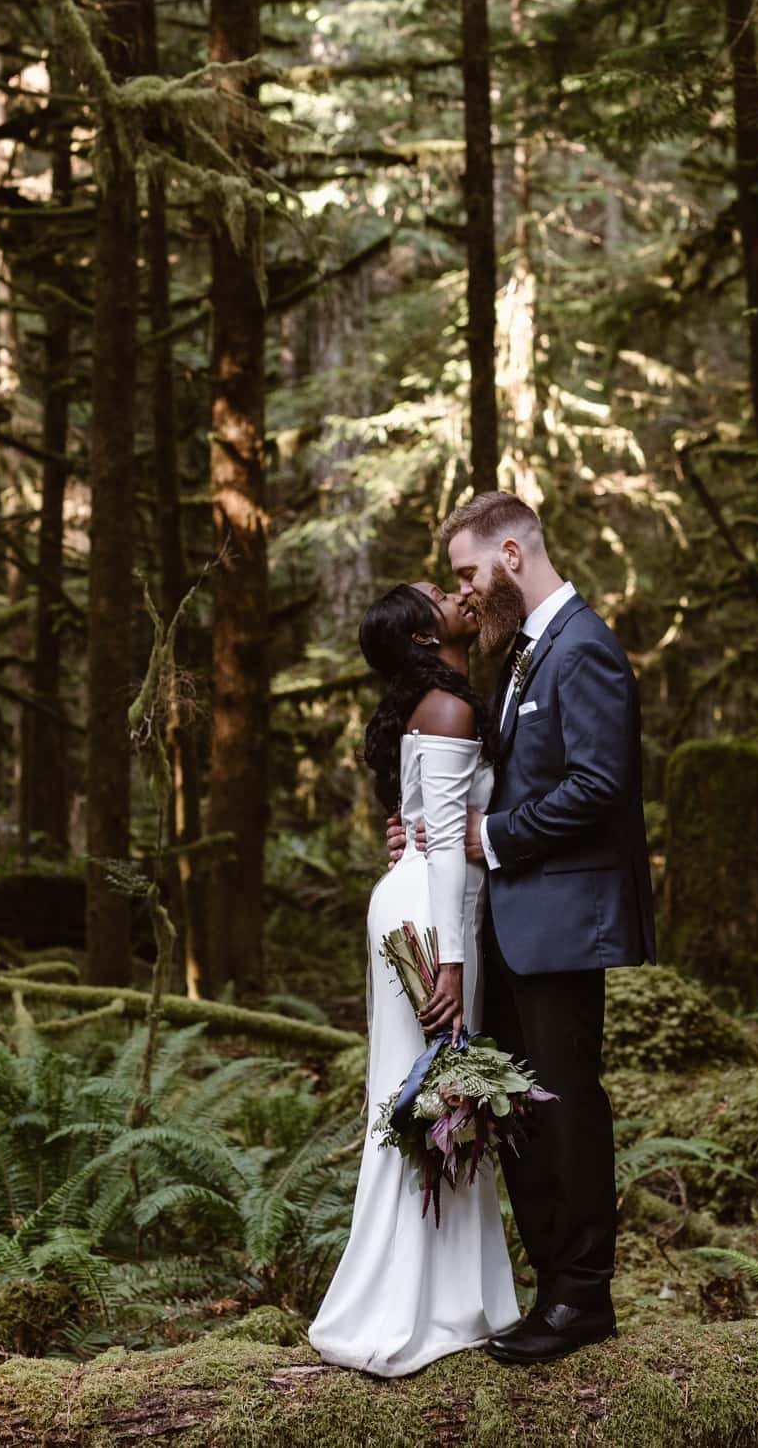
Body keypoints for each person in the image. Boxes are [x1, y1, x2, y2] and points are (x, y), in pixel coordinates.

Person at [388, 490, 656, 1366]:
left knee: (568, 1107)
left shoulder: (584, 649)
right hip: (517, 920)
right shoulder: (524, 655)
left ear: (511, 555)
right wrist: (425, 827)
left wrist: (486, 836)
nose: (464, 594)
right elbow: (503, 778)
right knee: (526, 1114)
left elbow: (600, 786)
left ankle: (584, 1297)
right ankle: (550, 1290)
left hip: (564, 924)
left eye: (469, 572)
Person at [307, 579, 520, 1375]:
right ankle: (410, 1305)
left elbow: (423, 826)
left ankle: (446, 1297)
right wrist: (454, 967)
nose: (457, 592)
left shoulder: (439, 704)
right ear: (425, 638)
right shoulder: (451, 708)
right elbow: (438, 858)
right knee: (429, 1098)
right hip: (431, 920)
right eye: (439, 594)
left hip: (419, 905)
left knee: (429, 1099)